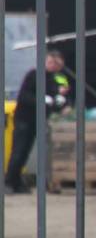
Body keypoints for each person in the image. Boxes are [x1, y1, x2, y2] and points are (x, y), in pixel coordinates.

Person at [6, 50, 70, 194]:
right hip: (24, 118)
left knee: (25, 151)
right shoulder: (34, 75)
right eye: (51, 62)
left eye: (57, 64)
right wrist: (41, 100)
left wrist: (62, 103)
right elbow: (23, 96)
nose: (54, 66)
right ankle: (9, 182)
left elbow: (56, 98)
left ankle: (16, 182)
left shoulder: (56, 79)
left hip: (37, 120)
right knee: (19, 150)